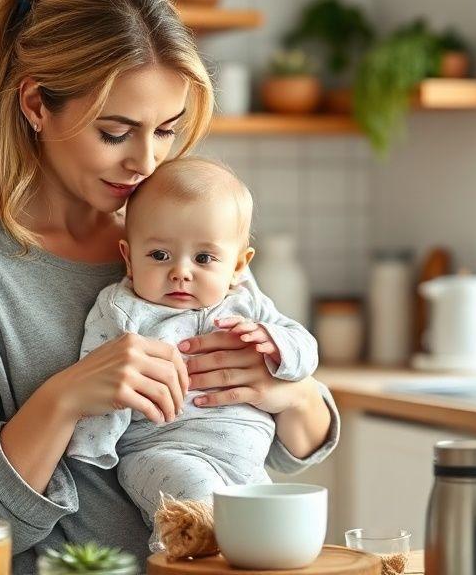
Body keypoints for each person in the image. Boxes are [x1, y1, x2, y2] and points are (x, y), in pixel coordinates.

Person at [0, 0, 340, 572]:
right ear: (35, 105)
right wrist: (64, 399)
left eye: (166, 132)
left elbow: (297, 443)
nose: (145, 163)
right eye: (115, 132)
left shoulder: (180, 238)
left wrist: (288, 392)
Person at [66, 158, 319, 542]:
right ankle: (178, 550)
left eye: (203, 258)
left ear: (238, 265)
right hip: (162, 453)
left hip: (247, 462)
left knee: (271, 536)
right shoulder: (122, 308)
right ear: (129, 258)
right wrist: (93, 446)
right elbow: (97, 372)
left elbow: (305, 348)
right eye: (159, 255)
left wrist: (278, 344)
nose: (181, 272)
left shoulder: (247, 302)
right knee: (198, 510)